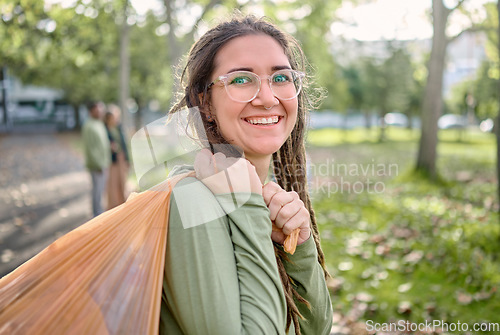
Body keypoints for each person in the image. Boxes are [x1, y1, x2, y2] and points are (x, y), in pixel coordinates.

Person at [160, 14, 333, 334]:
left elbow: (316, 329)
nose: (268, 98)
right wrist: (248, 208)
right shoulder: (191, 200)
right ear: (205, 103)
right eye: (241, 79)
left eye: (280, 78)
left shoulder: (274, 196)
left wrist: (302, 247)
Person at [82, 101, 110, 217]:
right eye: (97, 110)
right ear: (91, 111)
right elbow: (90, 148)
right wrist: (97, 164)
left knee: (101, 190)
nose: (100, 112)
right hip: (97, 165)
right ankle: (96, 214)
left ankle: (98, 212)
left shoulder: (99, 124)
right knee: (97, 191)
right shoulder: (89, 126)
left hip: (104, 163)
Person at [104, 104, 130, 210]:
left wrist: (127, 159)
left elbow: (124, 144)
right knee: (112, 184)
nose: (115, 119)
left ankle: (122, 204)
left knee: (122, 182)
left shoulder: (119, 128)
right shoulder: (105, 129)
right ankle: (112, 206)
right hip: (112, 160)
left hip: (121, 158)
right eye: (113, 117)